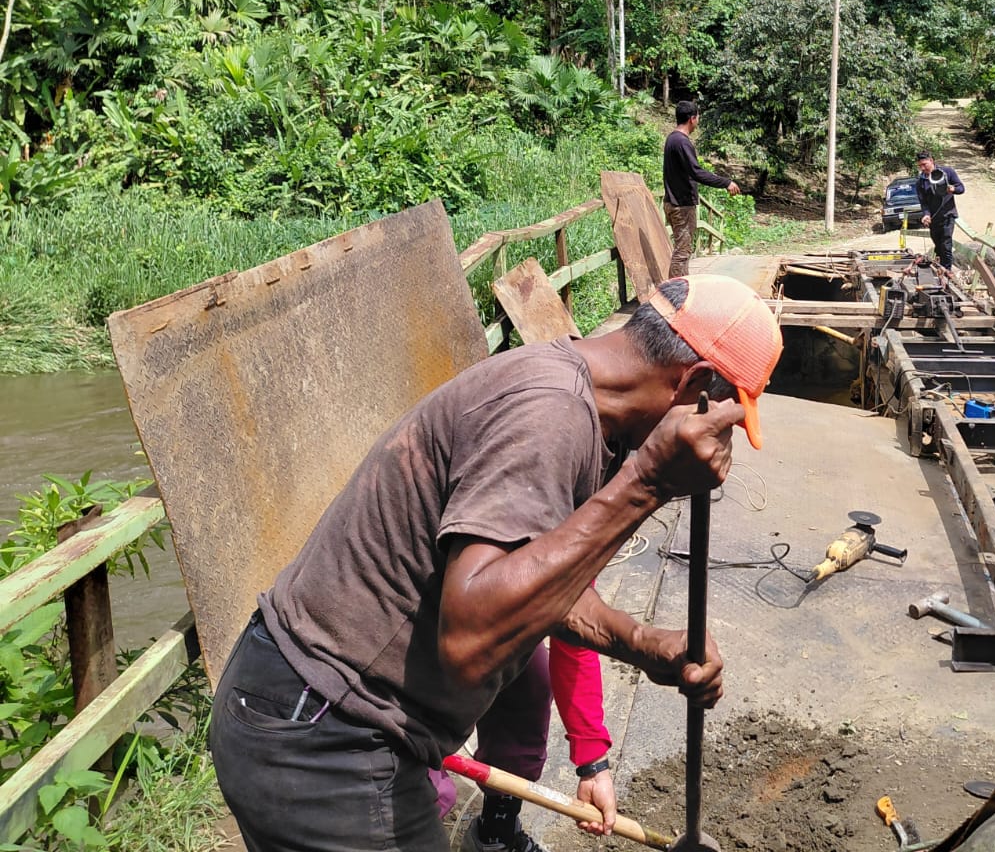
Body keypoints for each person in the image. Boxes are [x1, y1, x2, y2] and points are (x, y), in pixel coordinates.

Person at [209, 275, 783, 852]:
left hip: (316, 711)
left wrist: (642, 643)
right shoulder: (549, 416)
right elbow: (471, 642)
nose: (719, 449)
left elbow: (536, 584)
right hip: (322, 732)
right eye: (724, 426)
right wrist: (648, 482)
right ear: (695, 384)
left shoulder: (587, 409)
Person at [427, 636, 611, 852]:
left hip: (484, 626)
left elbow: (575, 640)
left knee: (529, 679)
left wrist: (594, 766)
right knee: (422, 790)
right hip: (412, 639)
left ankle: (496, 832)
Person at [664, 101, 741, 277]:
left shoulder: (672, 139)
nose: (698, 121)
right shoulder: (682, 142)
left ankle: (681, 285)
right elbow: (696, 172)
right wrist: (726, 182)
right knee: (682, 252)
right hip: (681, 205)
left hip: (672, 201)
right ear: (692, 119)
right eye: (698, 117)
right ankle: (676, 291)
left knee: (682, 250)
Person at [914, 151, 965, 270]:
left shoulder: (947, 172)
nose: (922, 168)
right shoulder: (920, 182)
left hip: (948, 215)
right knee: (938, 246)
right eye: (920, 166)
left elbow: (961, 188)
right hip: (933, 219)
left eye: (924, 164)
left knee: (946, 245)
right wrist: (926, 215)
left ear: (931, 161)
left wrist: (953, 189)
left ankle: (947, 272)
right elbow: (924, 203)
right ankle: (940, 269)